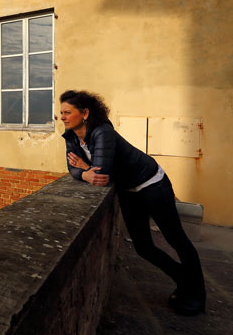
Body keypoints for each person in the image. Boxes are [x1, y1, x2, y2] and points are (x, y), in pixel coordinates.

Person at [59, 90, 206, 315]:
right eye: (61, 112)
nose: (63, 117)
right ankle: (184, 279)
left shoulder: (102, 132)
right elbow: (72, 168)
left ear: (85, 113)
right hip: (128, 190)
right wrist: (84, 173)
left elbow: (102, 176)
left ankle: (198, 295)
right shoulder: (70, 136)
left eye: (67, 112)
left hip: (152, 184)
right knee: (143, 247)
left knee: (176, 239)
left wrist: (86, 169)